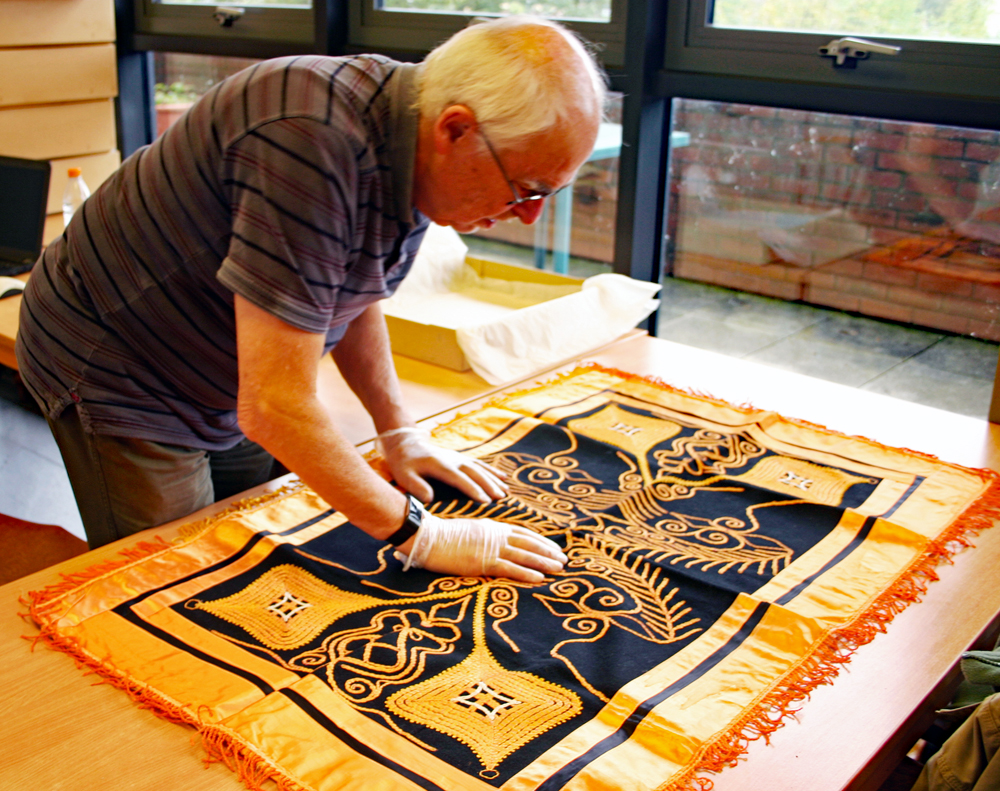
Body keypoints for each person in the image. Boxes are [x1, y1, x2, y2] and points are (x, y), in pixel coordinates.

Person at [15, 16, 605, 581]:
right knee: (177, 573)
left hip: (218, 354)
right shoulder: (309, 142)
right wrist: (423, 535)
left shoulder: (413, 134)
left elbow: (352, 291)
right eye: (527, 189)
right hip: (118, 358)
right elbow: (273, 406)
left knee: (253, 528)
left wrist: (398, 431)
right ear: (455, 130)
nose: (531, 216)